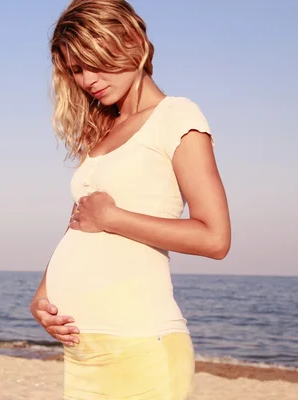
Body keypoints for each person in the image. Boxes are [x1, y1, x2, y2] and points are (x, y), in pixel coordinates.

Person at [29, 0, 231, 399]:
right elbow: (84, 221)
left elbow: (215, 238)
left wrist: (114, 217)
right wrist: (43, 293)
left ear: (131, 42)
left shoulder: (176, 115)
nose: (87, 80)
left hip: (141, 347)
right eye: (76, 70)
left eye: (95, 62)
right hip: (85, 351)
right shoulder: (104, 132)